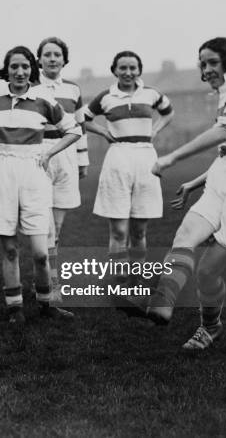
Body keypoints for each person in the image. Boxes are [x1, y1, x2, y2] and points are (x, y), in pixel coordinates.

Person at [124, 37, 226, 350]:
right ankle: (162, 302)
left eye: (212, 63)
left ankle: (211, 326)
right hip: (224, 178)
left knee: (208, 272)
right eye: (202, 64)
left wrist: (172, 157)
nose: (206, 70)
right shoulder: (225, 96)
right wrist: (195, 182)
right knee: (185, 235)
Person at [0, 46, 81, 324]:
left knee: (39, 252)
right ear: (6, 70)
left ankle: (47, 305)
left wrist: (48, 152)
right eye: (14, 67)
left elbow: (73, 130)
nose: (20, 72)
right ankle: (15, 309)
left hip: (34, 173)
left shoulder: (45, 99)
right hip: (2, 174)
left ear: (31, 70)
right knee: (10, 249)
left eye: (25, 67)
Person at [84, 51, 173, 283]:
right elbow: (82, 118)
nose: (128, 73)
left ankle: (136, 278)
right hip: (118, 158)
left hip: (146, 158)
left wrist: (154, 130)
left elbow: (168, 113)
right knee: (119, 231)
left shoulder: (151, 93)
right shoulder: (106, 96)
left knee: (139, 231)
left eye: (133, 68)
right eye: (122, 68)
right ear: (114, 70)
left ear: (139, 70)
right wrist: (103, 131)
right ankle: (119, 279)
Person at [34, 37, 88, 301]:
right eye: (47, 54)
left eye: (57, 54)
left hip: (66, 154)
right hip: (39, 152)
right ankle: (49, 284)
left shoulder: (73, 89)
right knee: (44, 226)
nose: (52, 59)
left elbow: (80, 126)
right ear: (39, 59)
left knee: (57, 224)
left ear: (64, 60)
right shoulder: (31, 87)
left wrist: (82, 160)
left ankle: (50, 280)